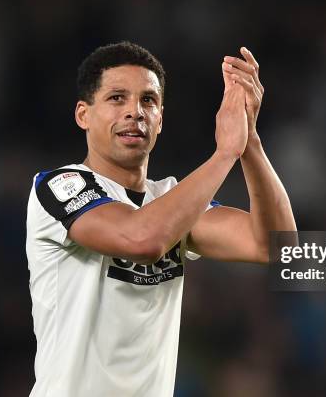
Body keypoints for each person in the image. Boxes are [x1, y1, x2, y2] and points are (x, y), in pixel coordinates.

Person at [25, 41, 296, 397]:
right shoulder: (61, 185)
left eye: (148, 101)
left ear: (161, 119)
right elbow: (142, 240)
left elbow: (276, 247)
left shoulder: (170, 200)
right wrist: (224, 153)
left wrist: (250, 143)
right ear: (83, 115)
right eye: (117, 98)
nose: (135, 112)